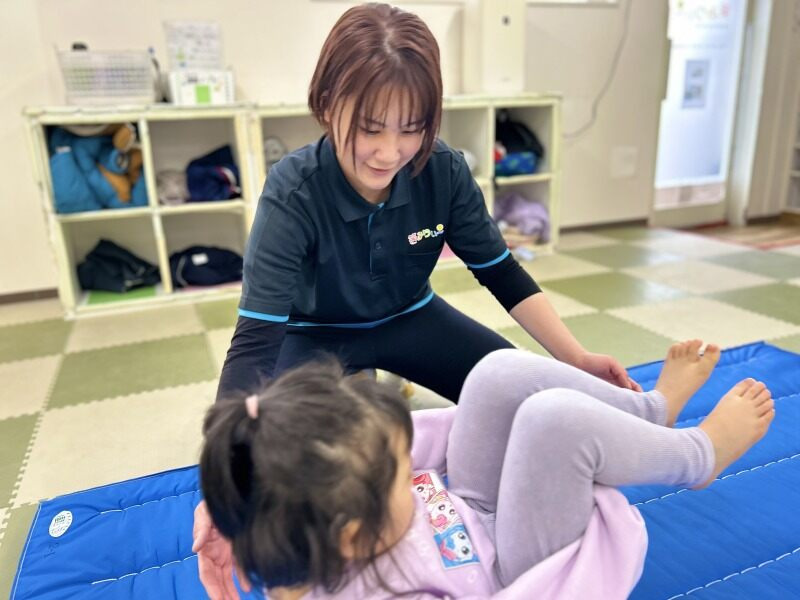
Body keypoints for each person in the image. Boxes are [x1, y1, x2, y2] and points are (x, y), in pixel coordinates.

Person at [217, 2, 641, 405]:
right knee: (298, 446)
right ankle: (357, 379)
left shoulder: (442, 170)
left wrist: (576, 359)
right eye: (370, 129)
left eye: (411, 129)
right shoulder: (294, 190)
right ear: (327, 103)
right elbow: (257, 334)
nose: (389, 153)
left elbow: (502, 273)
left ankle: (379, 374)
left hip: (411, 317)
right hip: (315, 333)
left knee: (529, 397)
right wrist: (231, 434)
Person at [195, 340, 775, 599]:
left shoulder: (298, 522)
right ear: (355, 535)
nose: (411, 473)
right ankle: (699, 456)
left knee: (495, 372)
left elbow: (263, 475)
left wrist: (232, 511)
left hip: (467, 509)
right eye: (401, 475)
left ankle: (649, 411)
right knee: (555, 421)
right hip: (512, 569)